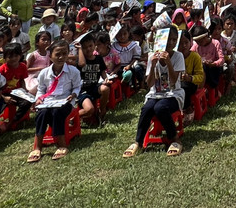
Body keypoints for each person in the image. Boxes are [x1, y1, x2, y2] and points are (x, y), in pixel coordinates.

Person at [122, 30, 185, 158]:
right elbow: (149, 84)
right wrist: (153, 65)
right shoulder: (152, 57)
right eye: (168, 40)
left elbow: (173, 81)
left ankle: (174, 139)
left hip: (174, 94)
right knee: (146, 109)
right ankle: (138, 142)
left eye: (174, 40)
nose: (171, 43)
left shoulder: (178, 56)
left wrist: (168, 63)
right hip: (155, 94)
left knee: (160, 108)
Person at [27, 38, 82, 163]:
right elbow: (41, 89)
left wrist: (73, 95)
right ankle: (37, 146)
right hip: (49, 101)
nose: (61, 57)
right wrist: (38, 100)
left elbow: (77, 86)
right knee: (42, 113)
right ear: (50, 56)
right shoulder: (44, 73)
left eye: (64, 53)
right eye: (57, 54)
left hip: (65, 101)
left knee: (57, 113)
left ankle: (61, 144)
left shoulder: (73, 71)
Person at [77, 32, 108, 125]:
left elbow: (102, 71)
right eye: (85, 47)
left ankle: (102, 111)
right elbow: (81, 64)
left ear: (95, 45)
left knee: (105, 89)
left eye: (90, 46)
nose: (88, 49)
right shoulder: (80, 60)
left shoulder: (98, 58)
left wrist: (105, 79)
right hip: (82, 90)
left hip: (94, 86)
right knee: (89, 109)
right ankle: (71, 117)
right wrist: (79, 49)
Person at [178, 29, 204, 124]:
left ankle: (188, 109)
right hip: (177, 83)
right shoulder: (175, 56)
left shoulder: (195, 57)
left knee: (183, 87)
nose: (184, 46)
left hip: (191, 84)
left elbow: (200, 77)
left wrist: (190, 78)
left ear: (190, 42)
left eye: (186, 42)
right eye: (181, 43)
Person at [191, 26, 224, 90]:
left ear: (206, 37)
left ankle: (202, 88)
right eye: (197, 42)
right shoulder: (196, 46)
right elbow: (190, 54)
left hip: (214, 68)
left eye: (200, 41)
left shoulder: (215, 43)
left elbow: (221, 59)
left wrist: (213, 64)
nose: (199, 44)